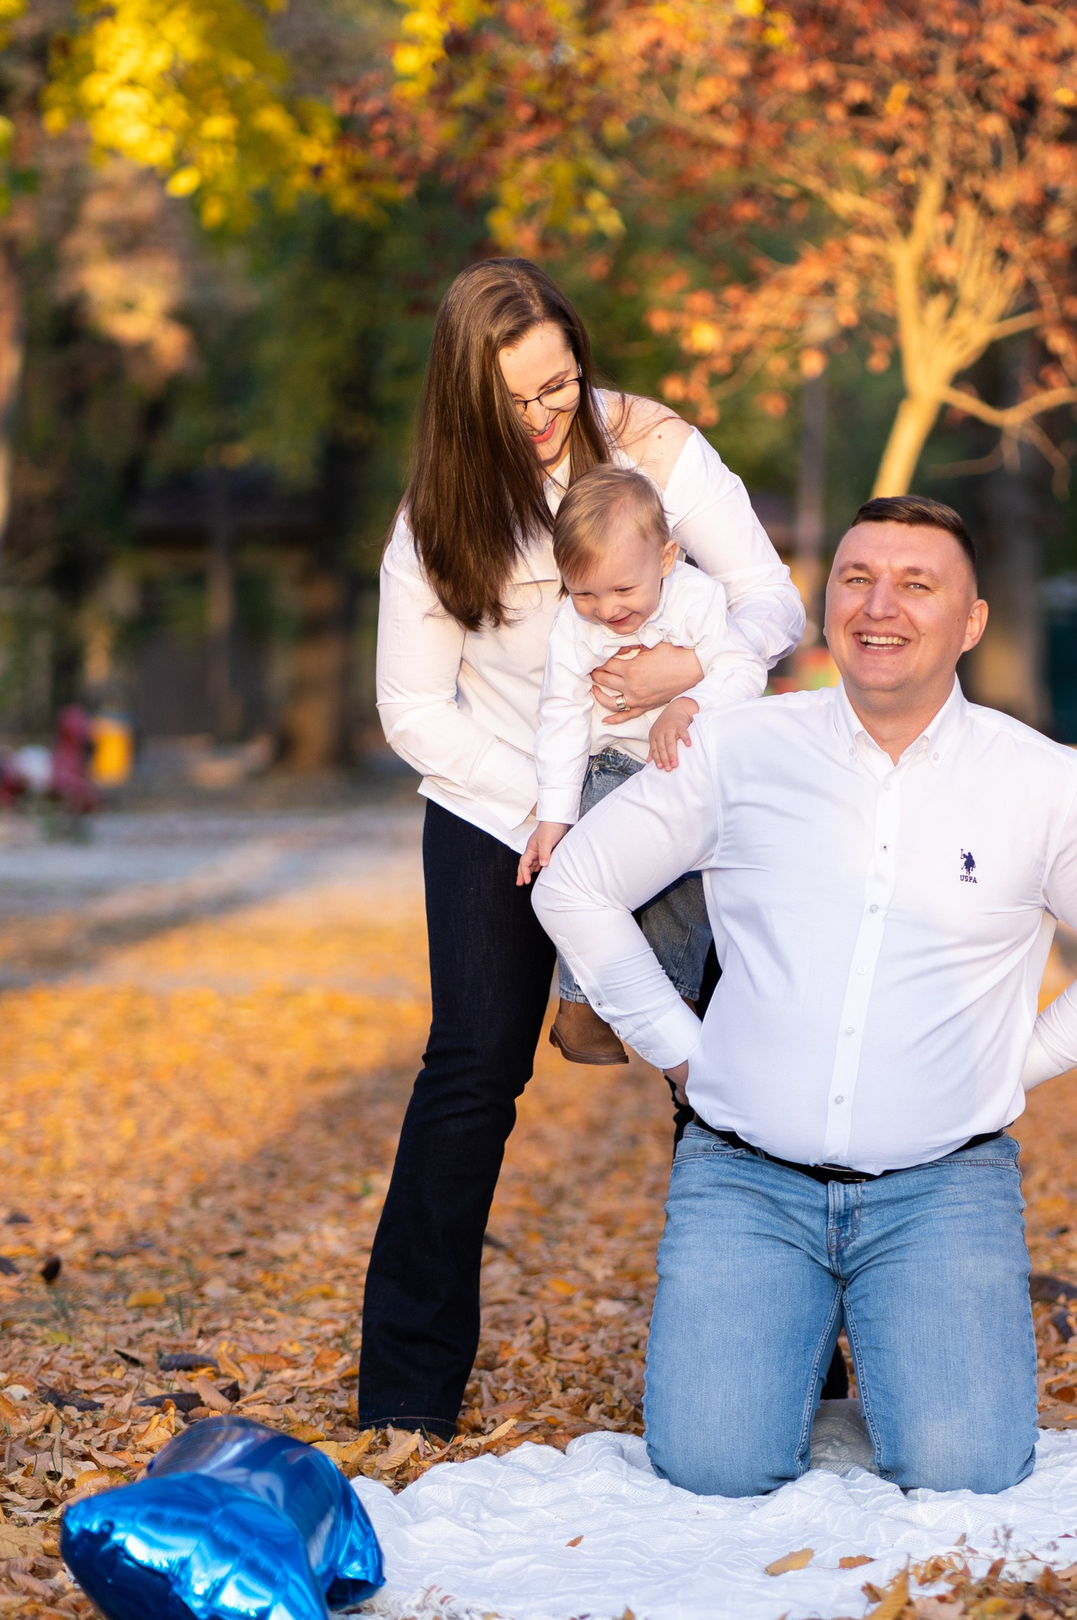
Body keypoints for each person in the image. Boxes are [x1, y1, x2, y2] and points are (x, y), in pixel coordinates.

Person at [535, 495, 1077, 1497]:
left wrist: (1017, 1060)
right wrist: (675, 1042)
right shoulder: (734, 748)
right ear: (827, 601)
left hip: (941, 1184)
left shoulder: (1046, 786)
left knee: (964, 1467)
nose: (878, 604)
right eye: (855, 578)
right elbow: (575, 882)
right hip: (746, 1181)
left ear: (971, 621)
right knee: (711, 1464)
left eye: (915, 584)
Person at [363, 259, 804, 1437]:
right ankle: (404, 1396)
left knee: (714, 1071)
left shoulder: (655, 448)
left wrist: (698, 670)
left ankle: (784, 1379)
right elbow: (414, 709)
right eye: (519, 399)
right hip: (499, 805)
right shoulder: (437, 515)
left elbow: (772, 599)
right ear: (468, 401)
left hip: (675, 791)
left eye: (560, 381)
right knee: (469, 1068)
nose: (549, 412)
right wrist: (555, 815)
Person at [515, 466, 767, 1062]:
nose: (605, 610)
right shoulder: (572, 629)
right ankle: (580, 1005)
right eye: (584, 594)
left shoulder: (698, 599)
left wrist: (688, 703)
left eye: (622, 591)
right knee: (589, 874)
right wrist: (554, 817)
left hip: (686, 767)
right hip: (610, 763)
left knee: (683, 887)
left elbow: (745, 671)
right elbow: (560, 714)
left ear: (666, 558)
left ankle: (674, 997)